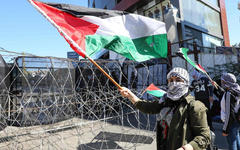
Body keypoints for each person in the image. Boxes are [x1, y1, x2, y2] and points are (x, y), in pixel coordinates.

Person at [119, 67, 210, 150]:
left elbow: (204, 137)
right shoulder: (165, 101)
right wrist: (130, 95)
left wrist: (186, 148)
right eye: (170, 80)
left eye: (178, 80)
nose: (174, 83)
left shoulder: (194, 106)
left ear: (186, 82)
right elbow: (146, 107)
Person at [220, 73, 240, 150]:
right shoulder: (236, 89)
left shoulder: (229, 94)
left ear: (227, 82)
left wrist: (225, 129)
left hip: (230, 123)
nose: (221, 83)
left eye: (223, 81)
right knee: (236, 140)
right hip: (236, 121)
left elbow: (229, 113)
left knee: (232, 144)